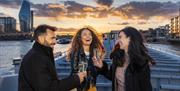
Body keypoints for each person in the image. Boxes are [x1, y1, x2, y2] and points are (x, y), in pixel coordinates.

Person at [18, 24, 87, 91]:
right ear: (41, 39)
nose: (55, 41)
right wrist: (76, 79)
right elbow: (47, 89)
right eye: (52, 38)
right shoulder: (35, 58)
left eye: (55, 38)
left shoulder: (40, 54)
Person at [94, 27, 154, 91]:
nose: (117, 40)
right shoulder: (118, 57)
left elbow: (146, 88)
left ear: (130, 38)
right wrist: (102, 67)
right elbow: (113, 76)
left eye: (120, 37)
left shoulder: (141, 62)